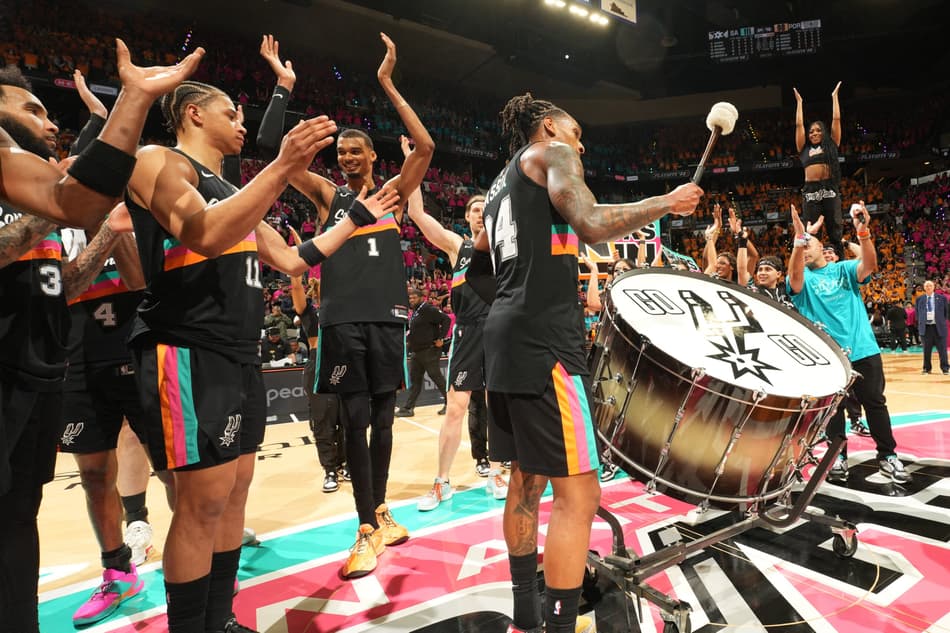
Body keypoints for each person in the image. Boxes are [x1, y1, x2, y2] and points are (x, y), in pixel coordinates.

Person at [124, 78, 398, 633]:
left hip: (239, 355)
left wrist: (356, 219)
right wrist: (281, 167)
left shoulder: (230, 190)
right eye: (233, 112)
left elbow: (296, 260)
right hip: (186, 347)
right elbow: (202, 234)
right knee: (200, 504)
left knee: (232, 496)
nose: (242, 122)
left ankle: (220, 617)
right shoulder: (160, 161)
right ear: (194, 114)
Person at [473, 92, 702, 633]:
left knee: (525, 483)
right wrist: (667, 201)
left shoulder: (497, 186)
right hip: (546, 343)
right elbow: (593, 222)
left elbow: (479, 262)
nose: (581, 144)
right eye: (577, 133)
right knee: (579, 494)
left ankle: (527, 616)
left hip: (503, 338)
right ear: (549, 126)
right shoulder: (552, 153)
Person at [0, 47, 200, 632]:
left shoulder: (45, 193)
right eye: (33, 109)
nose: (50, 121)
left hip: (52, 362)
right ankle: (120, 563)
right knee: (82, 479)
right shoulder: (31, 185)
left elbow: (60, 281)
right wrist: (65, 205)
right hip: (54, 361)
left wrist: (108, 234)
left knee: (19, 515)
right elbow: (61, 204)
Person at [255, 33, 434, 579]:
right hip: (341, 323)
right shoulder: (329, 197)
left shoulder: (393, 199)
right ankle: (362, 527)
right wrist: (283, 87)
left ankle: (380, 511)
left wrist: (386, 82)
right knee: (353, 421)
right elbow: (273, 157)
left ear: (374, 156)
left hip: (389, 321)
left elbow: (424, 148)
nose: (348, 156)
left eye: (356, 150)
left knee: (383, 423)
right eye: (341, 153)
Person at [786, 201, 910, 485]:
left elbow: (870, 264)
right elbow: (793, 277)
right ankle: (837, 456)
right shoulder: (801, 280)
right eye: (801, 247)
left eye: (810, 245)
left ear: (823, 250)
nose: (805, 250)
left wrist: (863, 233)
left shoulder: (842, 270)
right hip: (828, 356)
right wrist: (799, 239)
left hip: (864, 350)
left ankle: (887, 455)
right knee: (833, 410)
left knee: (875, 404)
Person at [401, 185, 508, 510]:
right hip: (468, 334)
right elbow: (418, 215)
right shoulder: (457, 247)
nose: (479, 213)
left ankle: (498, 472)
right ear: (466, 217)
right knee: (455, 410)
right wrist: (415, 170)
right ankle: (441, 482)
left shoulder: (505, 250)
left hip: (500, 332)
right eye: (474, 209)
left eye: (483, 209)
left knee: (498, 407)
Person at [289, 270, 348, 494]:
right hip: (318, 367)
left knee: (346, 420)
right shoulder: (311, 314)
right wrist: (294, 270)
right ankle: (330, 470)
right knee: (323, 423)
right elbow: (296, 291)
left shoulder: (345, 313)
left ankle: (344, 464)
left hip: (343, 366)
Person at [794, 81, 844, 259]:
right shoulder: (804, 149)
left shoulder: (832, 145)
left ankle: (838, 263)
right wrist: (799, 104)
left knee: (835, 229)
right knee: (812, 231)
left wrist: (834, 98)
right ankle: (814, 264)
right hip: (810, 191)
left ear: (824, 132)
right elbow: (799, 126)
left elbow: (836, 120)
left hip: (829, 188)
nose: (814, 133)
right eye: (811, 132)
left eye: (818, 130)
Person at [397, 286, 450, 416]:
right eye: (410, 297)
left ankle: (450, 404)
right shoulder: (415, 312)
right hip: (417, 352)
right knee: (415, 380)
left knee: (436, 377)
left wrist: (441, 338)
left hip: (429, 350)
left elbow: (446, 320)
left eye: (414, 297)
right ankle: (408, 408)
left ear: (422, 298)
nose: (411, 299)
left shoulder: (427, 309)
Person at [915, 280, 948, 374]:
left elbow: (946, 312)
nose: (928, 287)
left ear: (934, 287)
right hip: (926, 327)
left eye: (930, 285)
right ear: (924, 288)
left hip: (938, 327)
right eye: (926, 286)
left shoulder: (942, 298)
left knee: (942, 350)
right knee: (926, 350)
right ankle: (926, 368)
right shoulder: (919, 299)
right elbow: (917, 313)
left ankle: (945, 368)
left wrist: (940, 321)